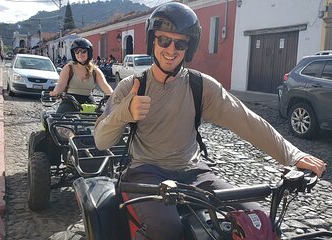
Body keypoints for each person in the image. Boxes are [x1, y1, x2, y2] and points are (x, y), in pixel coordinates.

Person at [94, 2, 326, 240]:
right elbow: (101, 140)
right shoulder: (131, 87)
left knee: (258, 222)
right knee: (166, 229)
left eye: (180, 43)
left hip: (195, 172)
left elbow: (247, 120)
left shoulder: (200, 86)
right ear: (152, 40)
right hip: (146, 171)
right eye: (164, 40)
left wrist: (293, 155)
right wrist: (125, 111)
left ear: (189, 47)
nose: (171, 49)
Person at [50, 38, 113, 113]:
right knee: (58, 119)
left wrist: (113, 95)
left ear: (89, 52)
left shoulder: (95, 70)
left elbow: (105, 85)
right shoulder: (68, 68)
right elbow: (61, 85)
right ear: (74, 54)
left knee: (104, 118)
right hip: (70, 100)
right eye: (77, 52)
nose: (80, 54)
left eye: (83, 51)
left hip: (88, 101)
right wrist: (55, 92)